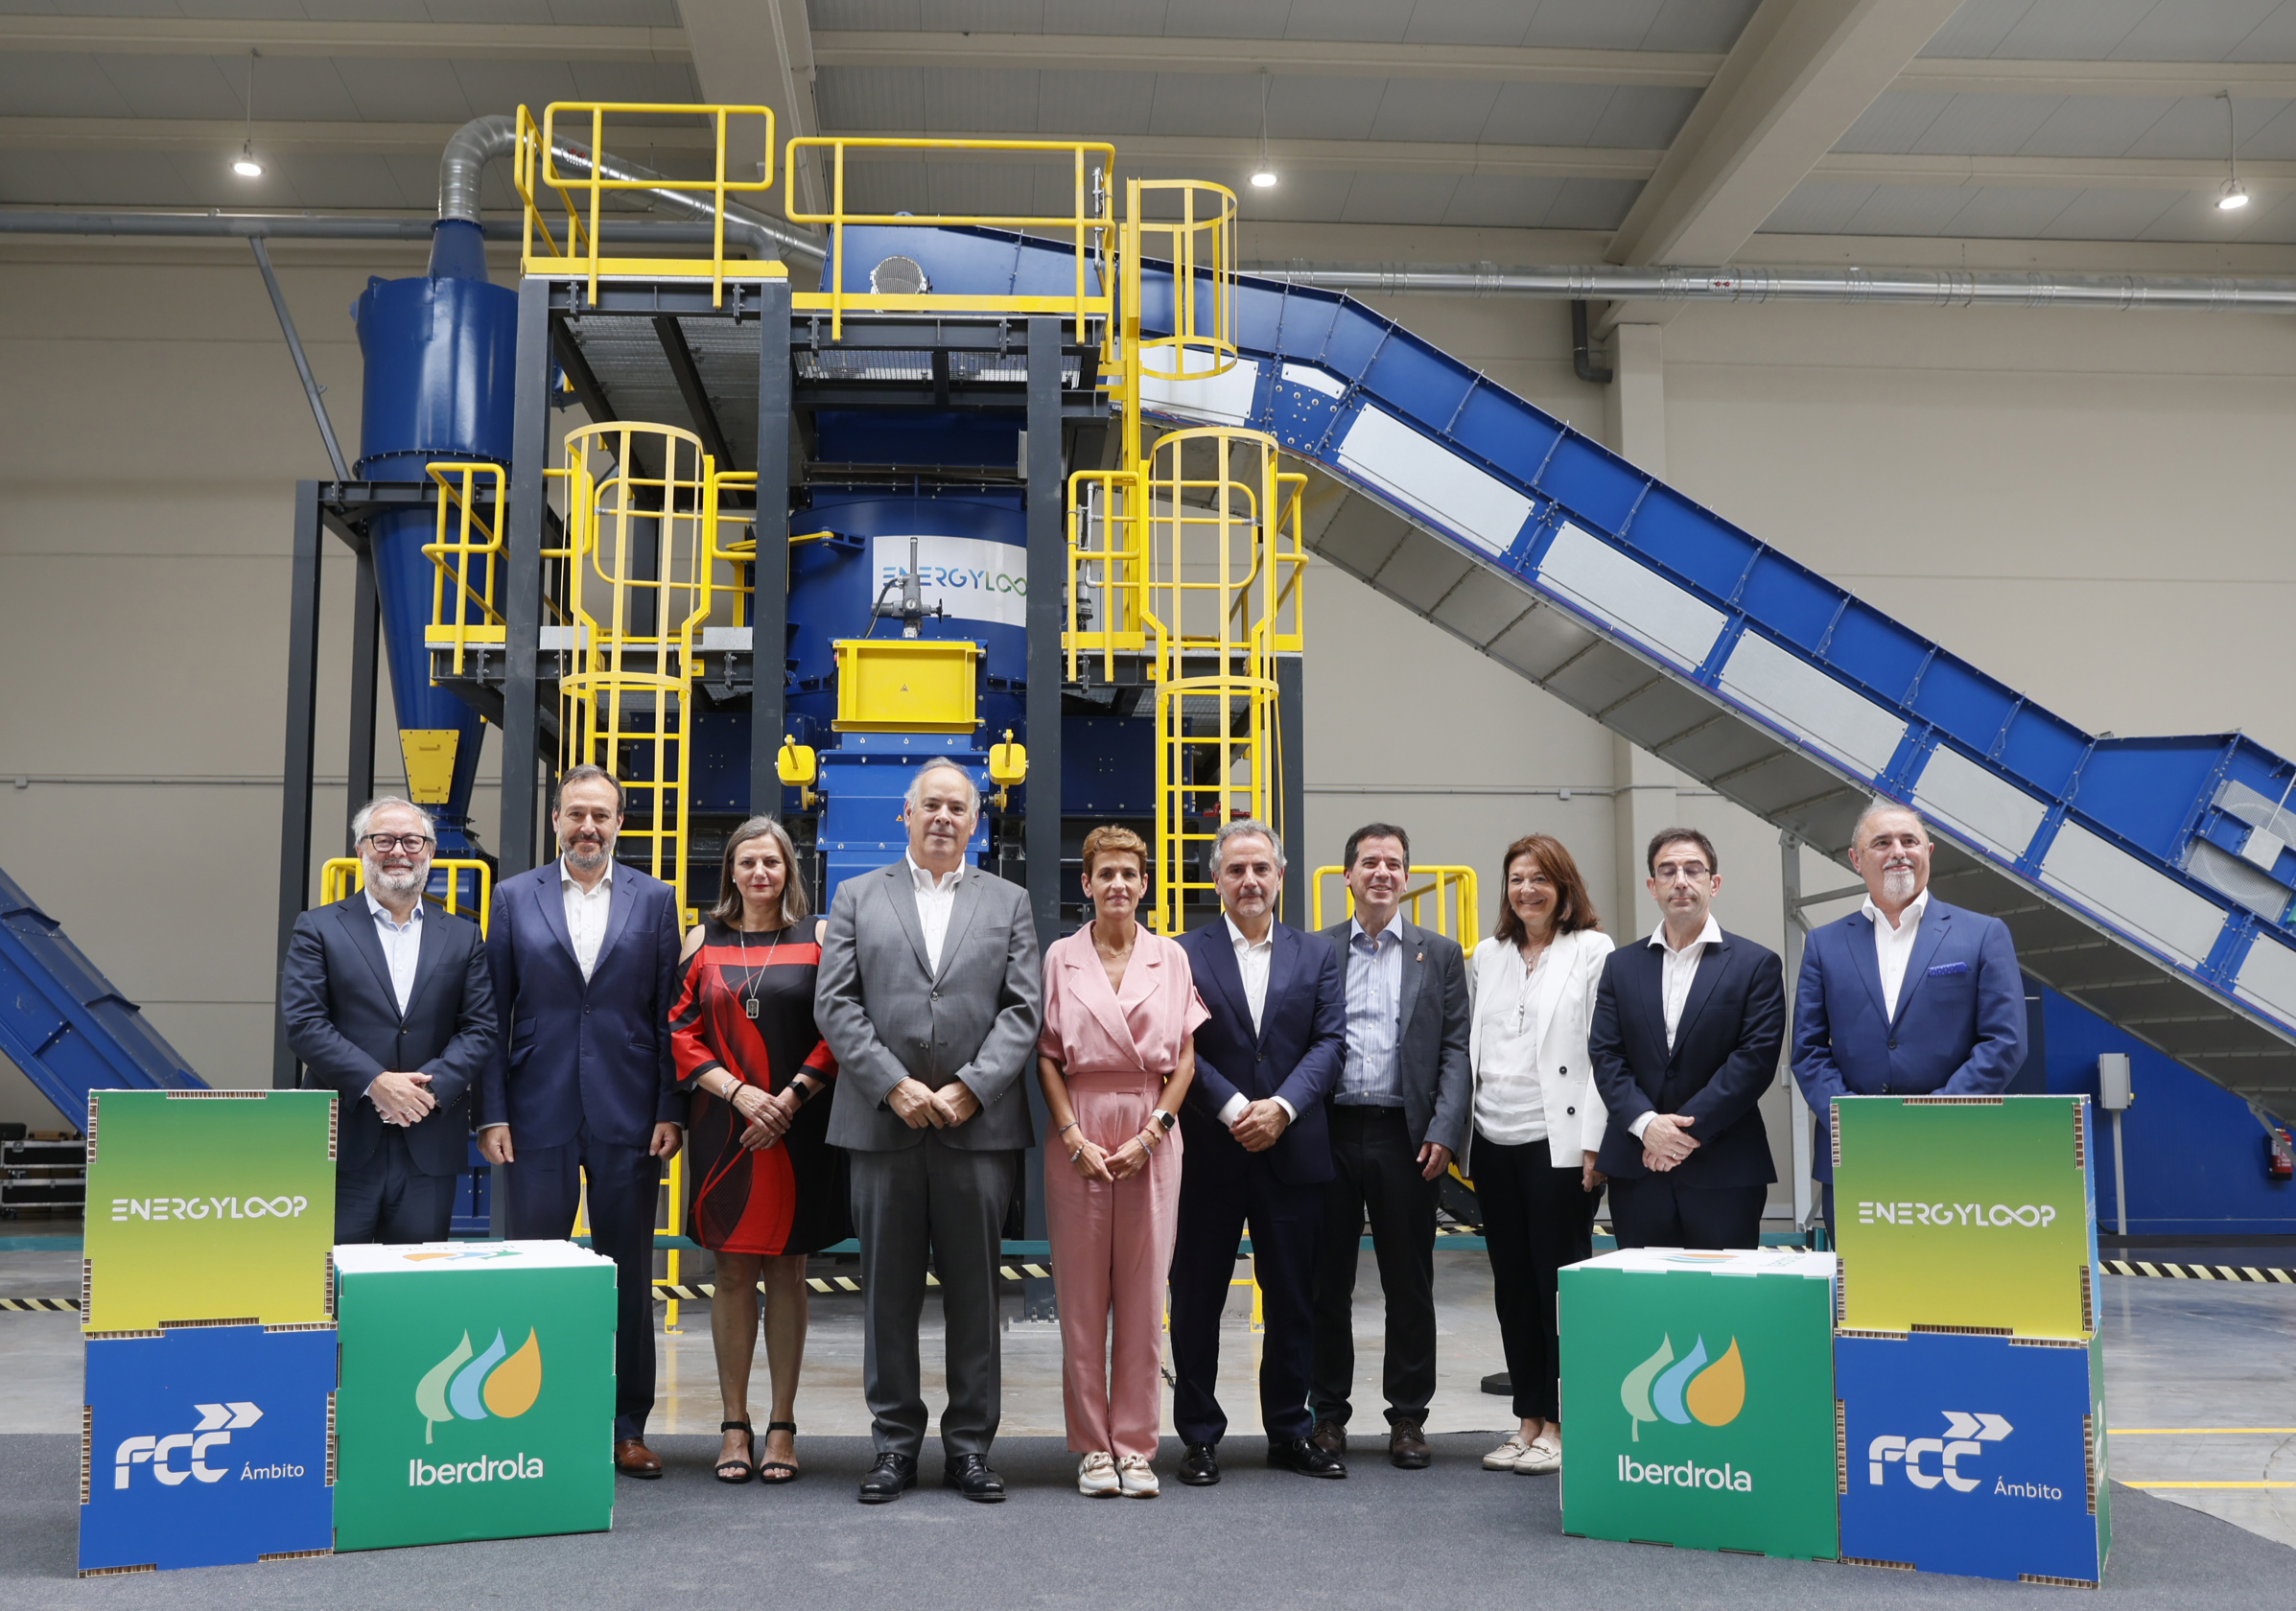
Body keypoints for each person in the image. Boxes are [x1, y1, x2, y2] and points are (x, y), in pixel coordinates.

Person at [813, 759, 1042, 1506]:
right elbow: (836, 1003)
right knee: (887, 1297)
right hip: (885, 1126)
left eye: (957, 807)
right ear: (904, 816)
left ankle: (970, 1448)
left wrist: (972, 1088)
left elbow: (1024, 1009)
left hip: (979, 1130)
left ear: (975, 822)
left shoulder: (1008, 902)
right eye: (930, 805)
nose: (943, 817)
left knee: (977, 1297)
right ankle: (894, 1446)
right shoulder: (856, 896)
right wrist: (893, 1085)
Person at [479, 764, 685, 1481]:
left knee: (627, 1274)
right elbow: (491, 1014)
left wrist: (670, 1108)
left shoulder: (655, 900)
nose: (588, 827)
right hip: (537, 1110)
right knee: (534, 1272)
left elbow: (669, 1015)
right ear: (557, 821)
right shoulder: (514, 897)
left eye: (601, 815)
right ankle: (534, 1421)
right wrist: (492, 1112)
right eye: (576, 814)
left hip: (630, 1112)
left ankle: (627, 1427)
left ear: (620, 823)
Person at [1169, 819, 1347, 1485]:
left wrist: (1281, 1108)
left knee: (1294, 1300)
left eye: (1261, 869)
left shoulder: (1316, 954)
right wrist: (1235, 1108)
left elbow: (1330, 1042)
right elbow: (1177, 1045)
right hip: (1209, 1152)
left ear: (1280, 876)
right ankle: (1199, 1437)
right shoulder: (1181, 954)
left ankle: (1290, 1431)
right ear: (1216, 879)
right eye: (1236, 870)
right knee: (1197, 1301)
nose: (1249, 881)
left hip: (1292, 1150)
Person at [669, 816, 844, 1486]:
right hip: (726, 1127)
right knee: (732, 1272)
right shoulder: (702, 940)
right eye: (747, 862)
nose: (760, 873)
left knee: (789, 1272)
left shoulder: (819, 938)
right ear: (731, 873)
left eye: (771, 861)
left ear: (788, 869)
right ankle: (733, 1425)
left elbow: (838, 1028)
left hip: (797, 1127)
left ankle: (782, 1427)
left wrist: (788, 1100)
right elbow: (679, 1029)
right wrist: (741, 1094)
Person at [1037, 826, 1205, 1499]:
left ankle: (1135, 1445)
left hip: (1149, 1123)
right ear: (1086, 883)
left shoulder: (1171, 957)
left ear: (1144, 884)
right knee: (1081, 1301)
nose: (1117, 884)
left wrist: (1155, 1129)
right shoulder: (1061, 957)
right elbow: (1047, 1056)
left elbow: (1185, 1056)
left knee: (1143, 1295)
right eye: (1105, 873)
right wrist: (1072, 1134)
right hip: (1077, 1124)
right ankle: (1091, 1448)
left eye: (1129, 874)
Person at [1308, 823, 1469, 1471]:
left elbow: (1456, 1048)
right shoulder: (1317, 951)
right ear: (1347, 875)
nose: (1382, 872)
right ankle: (1327, 1416)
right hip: (1330, 1133)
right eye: (1369, 862)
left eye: (1394, 863)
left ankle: (1407, 1417)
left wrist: (1445, 1129)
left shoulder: (1441, 954)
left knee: (1410, 1282)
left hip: (1409, 1138)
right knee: (1327, 1284)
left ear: (1406, 877)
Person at [1792, 801, 2026, 1226]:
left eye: (1909, 841)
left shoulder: (1983, 935)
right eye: (1882, 842)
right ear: (1856, 859)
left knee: (1951, 1269)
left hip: (1955, 1148)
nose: (1898, 851)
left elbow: (2005, 1042)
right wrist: (1851, 1121)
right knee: (1859, 1271)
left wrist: (1934, 1115)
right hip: (1855, 1154)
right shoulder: (1824, 945)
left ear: (1928, 852)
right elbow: (1808, 1051)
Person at [281, 797, 496, 1244]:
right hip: (342, 1145)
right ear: (361, 849)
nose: (398, 851)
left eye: (412, 841)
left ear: (430, 851)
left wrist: (426, 1092)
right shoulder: (318, 928)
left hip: (428, 1142)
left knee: (416, 1281)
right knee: (334, 1278)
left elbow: (479, 1029)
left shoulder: (462, 936)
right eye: (383, 840)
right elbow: (304, 1024)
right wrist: (376, 1082)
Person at [1465, 832, 1612, 1479]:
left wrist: (1596, 1141)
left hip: (1560, 1144)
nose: (1527, 890)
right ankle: (1527, 1419)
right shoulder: (1488, 954)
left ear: (1564, 887)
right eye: (1517, 878)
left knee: (1557, 1287)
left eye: (1540, 878)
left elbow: (1605, 1050)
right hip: (1493, 1140)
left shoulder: (1592, 951)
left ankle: (1561, 1422)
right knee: (1512, 1286)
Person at [1588, 829, 1785, 1252]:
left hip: (1724, 1168)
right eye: (1668, 871)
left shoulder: (1757, 965)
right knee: (1645, 1292)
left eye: (1693, 870)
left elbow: (1753, 1062)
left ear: (1714, 883)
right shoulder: (1620, 966)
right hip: (1638, 1166)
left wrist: (1679, 1136)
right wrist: (1647, 1126)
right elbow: (1606, 1055)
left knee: (1723, 1293)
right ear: (1652, 886)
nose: (1681, 880)